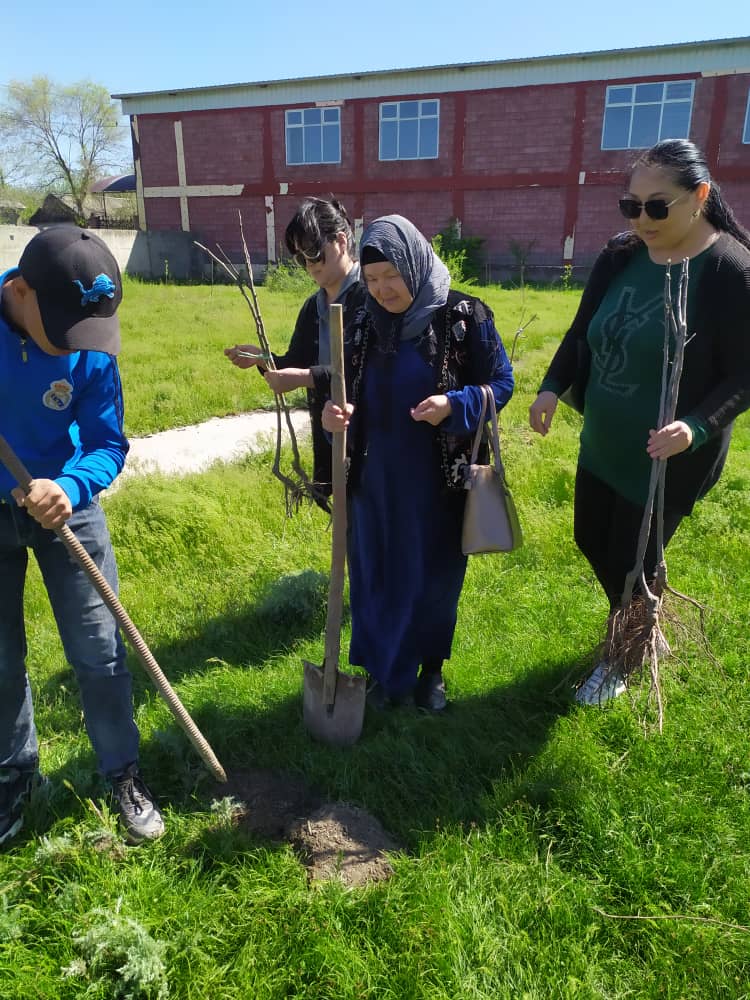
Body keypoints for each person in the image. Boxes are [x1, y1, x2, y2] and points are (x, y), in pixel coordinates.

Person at [529, 139, 750, 706]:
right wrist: (551, 386)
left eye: (657, 207)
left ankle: (623, 656)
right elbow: (582, 331)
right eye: (631, 206)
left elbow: (744, 373)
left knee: (634, 562)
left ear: (699, 196)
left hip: (669, 456)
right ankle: (637, 620)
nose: (641, 220)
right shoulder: (621, 256)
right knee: (590, 538)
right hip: (604, 438)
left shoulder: (728, 270)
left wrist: (696, 426)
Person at [0, 226, 164, 846]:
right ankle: (14, 776)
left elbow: (107, 443)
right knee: (0, 659)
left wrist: (69, 487)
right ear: (20, 292)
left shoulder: (89, 341)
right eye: (66, 330)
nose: (79, 345)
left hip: (66, 508)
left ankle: (123, 772)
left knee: (101, 649)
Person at [322, 215, 515, 711]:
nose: (382, 289)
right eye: (371, 278)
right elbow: (342, 385)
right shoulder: (361, 317)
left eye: (392, 275)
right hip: (374, 478)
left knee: (432, 580)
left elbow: (502, 383)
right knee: (375, 574)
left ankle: (430, 673)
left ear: (415, 263)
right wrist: (334, 413)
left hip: (436, 482)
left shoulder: (464, 315)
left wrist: (454, 404)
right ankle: (381, 670)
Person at [225, 196, 367, 509]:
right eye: (301, 257)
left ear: (341, 241)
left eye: (314, 252)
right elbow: (296, 363)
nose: (309, 265)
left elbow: (368, 368)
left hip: (370, 435)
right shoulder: (313, 306)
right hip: (329, 434)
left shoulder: (372, 297)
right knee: (346, 525)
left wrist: (305, 378)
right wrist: (262, 359)